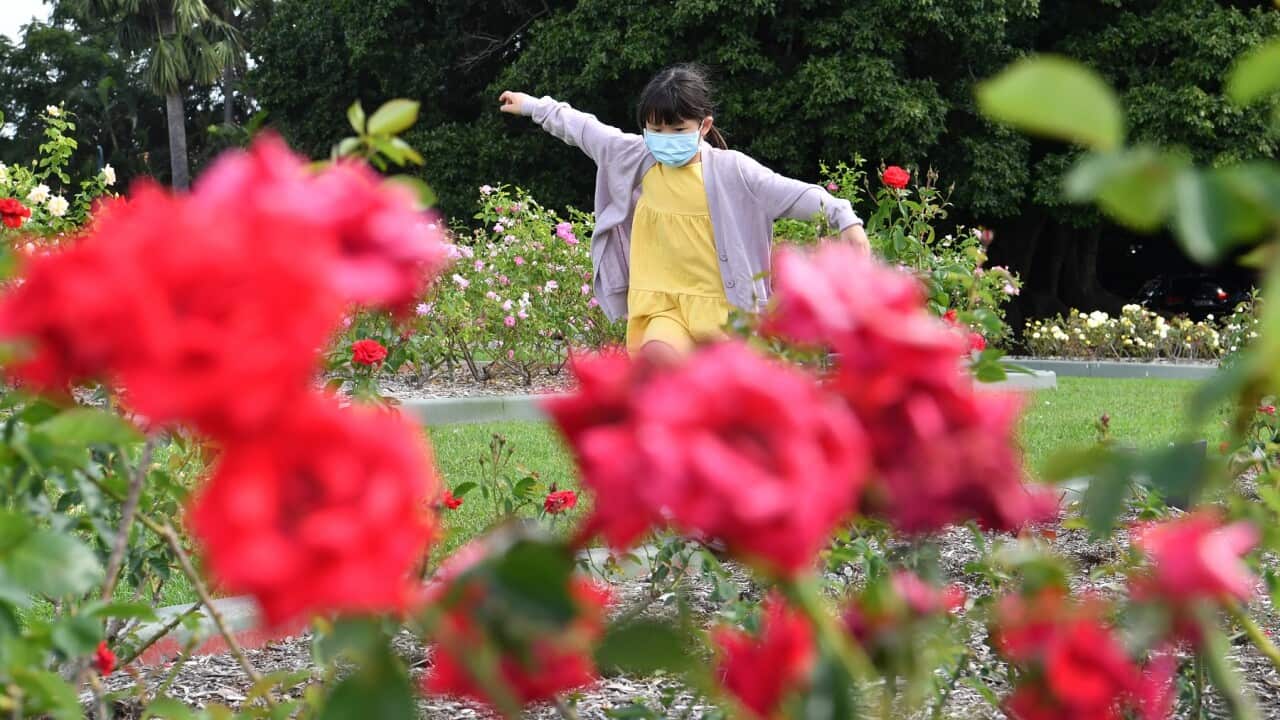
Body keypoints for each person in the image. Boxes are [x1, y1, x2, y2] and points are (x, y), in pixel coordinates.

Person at [498, 63, 869, 359]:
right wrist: (533, 106)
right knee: (657, 367)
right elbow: (583, 128)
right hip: (662, 307)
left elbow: (794, 194)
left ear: (704, 126)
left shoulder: (732, 171)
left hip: (724, 313)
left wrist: (844, 218)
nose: (666, 139)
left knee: (718, 411)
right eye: (656, 129)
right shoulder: (635, 157)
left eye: (678, 129)